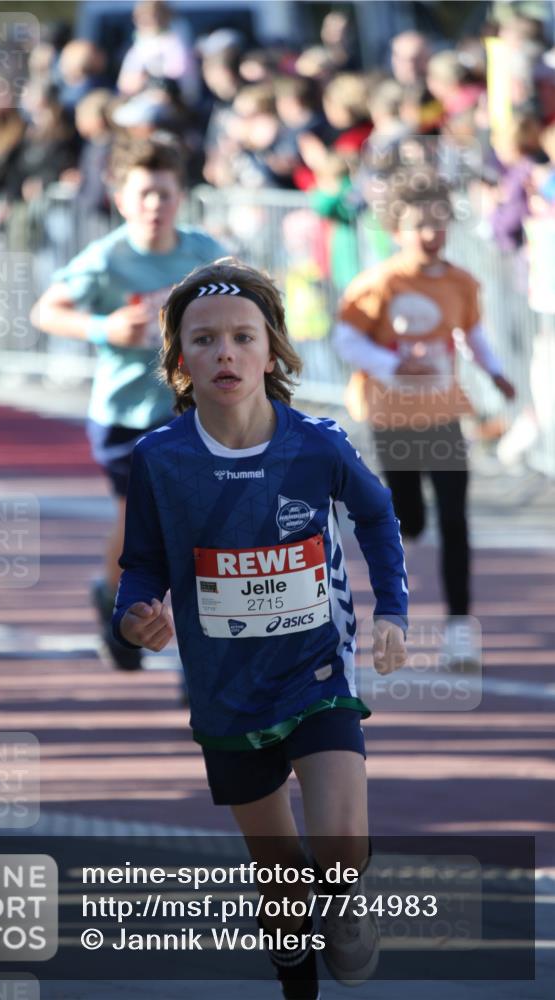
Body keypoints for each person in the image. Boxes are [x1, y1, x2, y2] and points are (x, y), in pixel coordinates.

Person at [111, 258, 408, 997]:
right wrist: (134, 616)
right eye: (204, 340)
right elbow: (142, 565)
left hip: (316, 675)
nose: (225, 353)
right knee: (278, 886)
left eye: (243, 337)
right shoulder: (158, 458)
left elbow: (375, 514)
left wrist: (392, 609)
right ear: (179, 362)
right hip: (225, 695)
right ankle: (295, 982)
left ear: (270, 351)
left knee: (337, 846)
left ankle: (344, 904)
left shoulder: (316, 443)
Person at [30, 137, 225, 669]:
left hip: (188, 412)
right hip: (124, 417)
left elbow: (247, 303)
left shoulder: (202, 252)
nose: (154, 206)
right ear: (121, 199)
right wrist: (106, 326)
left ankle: (199, 657)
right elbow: (45, 311)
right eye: (143, 194)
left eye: (164, 194)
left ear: (180, 196)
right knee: (141, 527)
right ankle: (116, 598)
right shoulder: (106, 258)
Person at [335, 168, 516, 665]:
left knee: (455, 519)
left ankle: (460, 631)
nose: (432, 234)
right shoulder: (381, 283)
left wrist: (496, 372)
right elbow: (346, 338)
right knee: (408, 518)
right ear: (397, 230)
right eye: (420, 225)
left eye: (439, 223)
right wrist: (395, 364)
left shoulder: (461, 282)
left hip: (443, 412)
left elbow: (472, 333)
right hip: (392, 416)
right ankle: (393, 601)